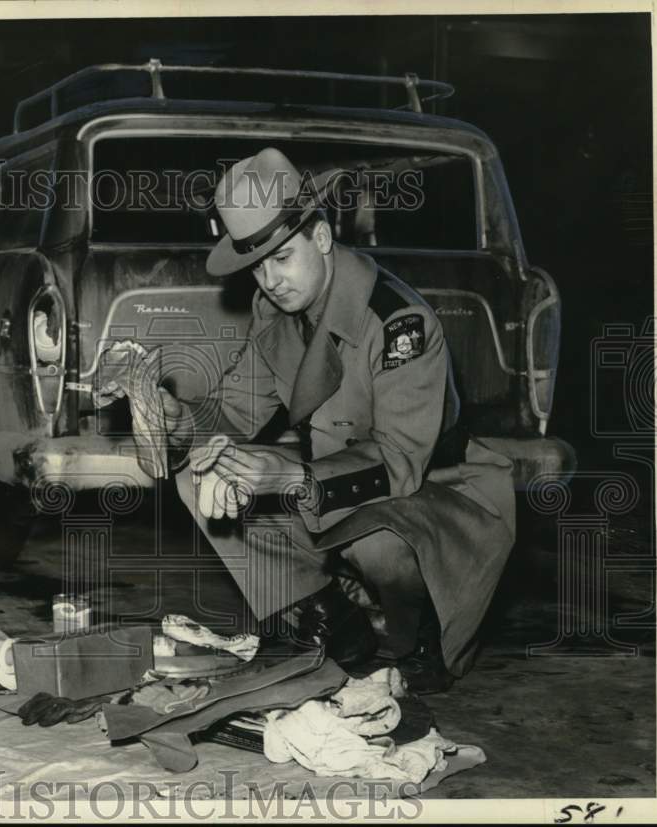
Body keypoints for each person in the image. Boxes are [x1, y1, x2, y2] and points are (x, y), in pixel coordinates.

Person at [110, 147, 517, 693]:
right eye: (258, 266)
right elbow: (235, 412)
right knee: (203, 473)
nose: (270, 280)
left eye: (282, 258)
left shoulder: (398, 322)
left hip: (439, 490)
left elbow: (400, 463)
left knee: (378, 539)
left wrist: (287, 477)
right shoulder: (278, 312)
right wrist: (178, 419)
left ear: (321, 238)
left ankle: (422, 637)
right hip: (332, 481)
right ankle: (327, 618)